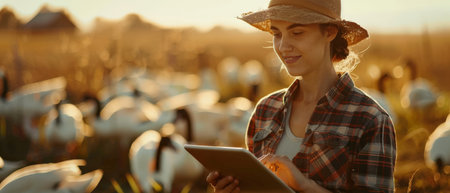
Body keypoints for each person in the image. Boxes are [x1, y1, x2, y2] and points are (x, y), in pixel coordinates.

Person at [206, 0, 396, 192]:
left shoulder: (370, 119)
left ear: (329, 32)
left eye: (297, 33)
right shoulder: (265, 110)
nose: (283, 46)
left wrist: (305, 186)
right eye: (276, 34)